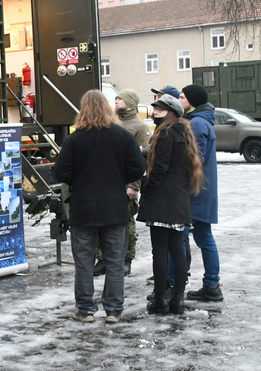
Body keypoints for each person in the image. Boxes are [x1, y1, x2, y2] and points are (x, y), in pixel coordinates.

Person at [53, 90, 147, 324]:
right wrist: (119, 178)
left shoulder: (75, 139)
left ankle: (85, 309)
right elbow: (138, 167)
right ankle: (113, 310)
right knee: (115, 261)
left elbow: (61, 172)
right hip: (115, 206)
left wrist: (78, 179)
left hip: (83, 207)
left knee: (83, 261)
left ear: (83, 109)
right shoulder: (122, 136)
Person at [137, 94, 204, 315]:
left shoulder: (165, 132)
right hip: (178, 197)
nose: (155, 112)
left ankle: (161, 300)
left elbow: (160, 167)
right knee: (176, 249)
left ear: (171, 112)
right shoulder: (183, 132)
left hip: (163, 198)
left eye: (161, 109)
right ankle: (177, 300)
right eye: (155, 108)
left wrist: (147, 186)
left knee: (160, 251)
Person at [94, 88, 151, 278]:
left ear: (130, 102)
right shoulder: (111, 122)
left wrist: (134, 185)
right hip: (109, 181)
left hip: (126, 182)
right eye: (116, 98)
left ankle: (126, 260)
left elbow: (141, 158)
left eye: (120, 99)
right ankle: (102, 259)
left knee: (127, 224)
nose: (116, 101)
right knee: (103, 222)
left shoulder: (139, 126)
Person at [179, 83, 223, 302]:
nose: (180, 100)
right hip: (203, 190)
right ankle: (211, 284)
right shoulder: (202, 120)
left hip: (196, 192)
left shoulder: (197, 123)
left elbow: (195, 159)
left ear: (193, 100)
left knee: (199, 238)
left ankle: (209, 284)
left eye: (182, 97)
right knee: (204, 237)